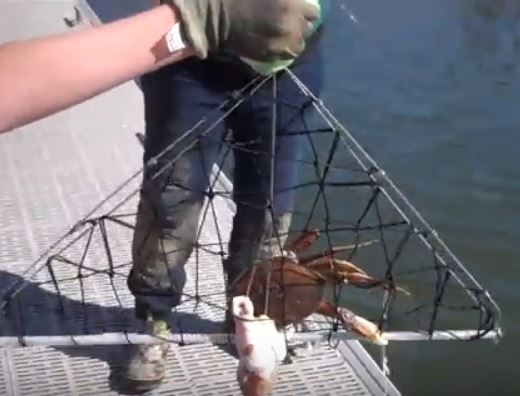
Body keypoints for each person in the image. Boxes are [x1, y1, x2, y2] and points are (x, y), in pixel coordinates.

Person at [124, 0, 329, 391]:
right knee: (171, 202)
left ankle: (251, 315)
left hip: (290, 64)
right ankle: (155, 320)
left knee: (270, 207)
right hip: (189, 56)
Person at [0, 0, 319, 133]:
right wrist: (202, 18)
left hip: (290, 74)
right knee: (171, 203)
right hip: (187, 73)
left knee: (268, 219)